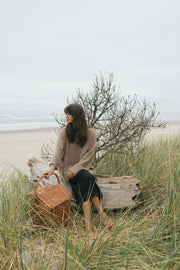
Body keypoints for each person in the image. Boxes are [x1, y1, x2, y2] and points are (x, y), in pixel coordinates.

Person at [42, 103, 113, 239]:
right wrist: (51, 169)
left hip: (84, 168)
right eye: (66, 114)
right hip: (67, 170)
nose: (66, 117)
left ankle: (88, 225)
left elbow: (88, 157)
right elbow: (58, 153)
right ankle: (100, 214)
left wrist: (75, 170)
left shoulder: (90, 133)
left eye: (69, 114)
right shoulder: (64, 131)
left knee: (86, 178)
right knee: (87, 179)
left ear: (77, 115)